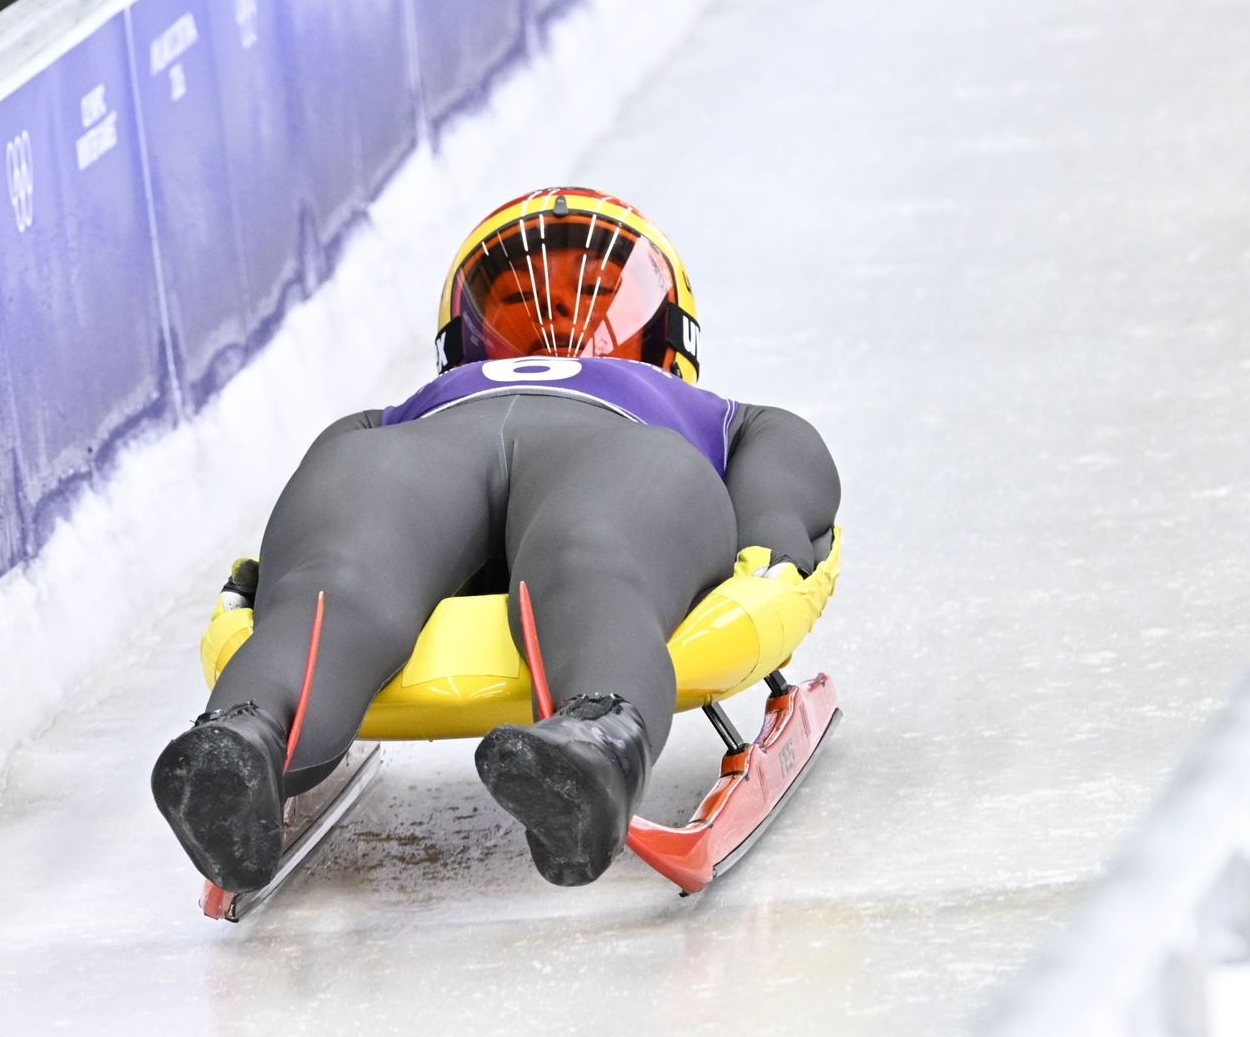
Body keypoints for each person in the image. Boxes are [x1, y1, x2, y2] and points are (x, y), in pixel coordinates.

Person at [151, 187, 840, 891]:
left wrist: (275, 590)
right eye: (519, 301)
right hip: (623, 454)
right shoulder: (718, 414)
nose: (556, 317)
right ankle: (597, 733)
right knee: (594, 563)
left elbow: (306, 521)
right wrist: (769, 559)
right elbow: (791, 476)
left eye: (591, 295)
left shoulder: (382, 421)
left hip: (421, 457)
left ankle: (249, 729)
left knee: (340, 581)